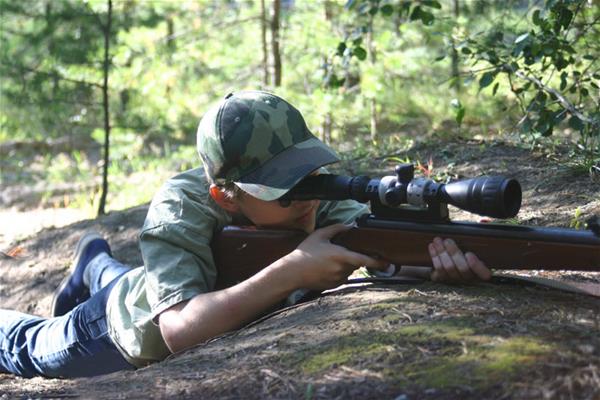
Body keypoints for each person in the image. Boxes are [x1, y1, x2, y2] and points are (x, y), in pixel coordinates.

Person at [0, 90, 491, 378]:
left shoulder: (322, 195)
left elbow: (381, 252)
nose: (305, 199)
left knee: (136, 273)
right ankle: (95, 274)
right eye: (282, 189)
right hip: (117, 328)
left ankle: (93, 265)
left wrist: (434, 264)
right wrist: (292, 269)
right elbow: (176, 331)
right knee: (27, 346)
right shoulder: (182, 203)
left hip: (154, 280)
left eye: (308, 176)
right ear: (226, 196)